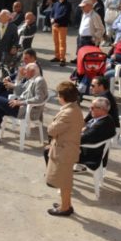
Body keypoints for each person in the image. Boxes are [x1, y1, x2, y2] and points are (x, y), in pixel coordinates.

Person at [0, 63, 47, 143]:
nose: (25, 73)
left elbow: (39, 99)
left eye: (27, 71)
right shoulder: (32, 79)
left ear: (33, 71)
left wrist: (21, 102)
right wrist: (16, 81)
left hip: (27, 111)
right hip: (21, 106)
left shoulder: (39, 81)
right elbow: (20, 91)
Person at [44, 81, 85, 217]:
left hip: (64, 151)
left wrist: (52, 124)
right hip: (67, 149)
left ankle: (65, 207)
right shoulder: (74, 108)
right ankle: (65, 204)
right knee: (65, 179)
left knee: (65, 181)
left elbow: (51, 130)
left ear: (62, 97)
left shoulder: (68, 113)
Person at [0, 10, 19, 79]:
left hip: (6, 50)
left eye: (2, 16)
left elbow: (16, 40)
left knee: (5, 69)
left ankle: (4, 85)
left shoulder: (13, 27)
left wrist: (14, 47)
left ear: (8, 18)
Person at [50, 0, 72, 66]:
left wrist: (55, 20)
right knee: (56, 42)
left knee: (62, 42)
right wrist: (51, 19)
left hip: (62, 26)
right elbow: (52, 13)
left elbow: (65, 15)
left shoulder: (68, 5)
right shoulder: (55, 4)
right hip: (54, 26)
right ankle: (57, 56)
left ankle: (62, 59)